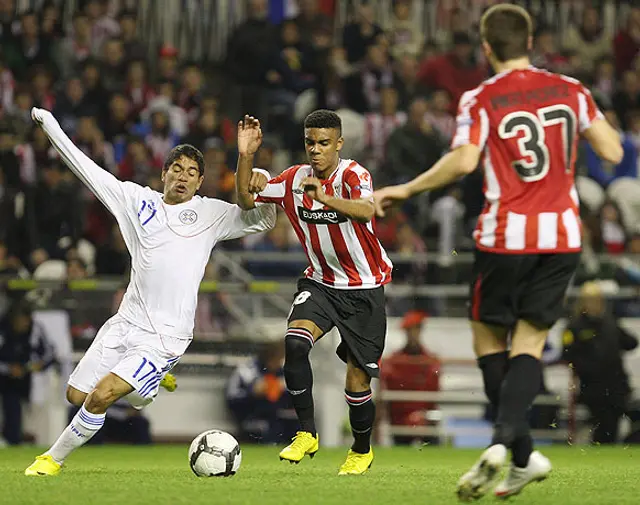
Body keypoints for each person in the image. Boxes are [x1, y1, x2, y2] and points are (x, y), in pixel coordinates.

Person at [373, 4, 623, 500]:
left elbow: (464, 161)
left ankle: (501, 443)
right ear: (530, 40)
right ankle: (523, 456)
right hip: (562, 237)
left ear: (486, 48)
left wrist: (405, 189)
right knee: (529, 344)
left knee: (489, 341)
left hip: (506, 236)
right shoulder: (573, 91)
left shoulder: (482, 97)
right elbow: (613, 152)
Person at [24, 107, 276, 476]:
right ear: (163, 173)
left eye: (192, 173)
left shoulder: (211, 214)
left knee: (101, 397)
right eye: (177, 169)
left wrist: (258, 175)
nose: (183, 177)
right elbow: (85, 168)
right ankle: (147, 387)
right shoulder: (136, 201)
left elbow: (263, 218)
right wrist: (53, 126)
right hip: (125, 323)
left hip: (165, 337)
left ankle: (51, 459)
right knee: (75, 396)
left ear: (200, 181)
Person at [235, 110, 392, 475]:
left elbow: (367, 210)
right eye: (310, 143)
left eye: (324, 143)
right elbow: (245, 200)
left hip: (364, 288)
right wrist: (245, 158)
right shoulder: (293, 179)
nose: (316, 150)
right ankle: (307, 432)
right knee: (294, 342)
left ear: (339, 144)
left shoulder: (354, 175)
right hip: (320, 282)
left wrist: (324, 197)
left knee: (357, 380)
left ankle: (361, 450)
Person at [563, 281, 639, 444]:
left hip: (617, 382)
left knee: (615, 419)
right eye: (590, 300)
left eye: (597, 299)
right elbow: (567, 353)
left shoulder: (610, 322)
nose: (594, 304)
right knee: (602, 421)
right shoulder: (575, 326)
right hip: (592, 385)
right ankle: (600, 446)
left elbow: (631, 342)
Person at [0, 298, 54, 445]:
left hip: (29, 377)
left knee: (29, 409)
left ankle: (25, 437)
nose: (23, 324)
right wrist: (7, 368)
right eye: (20, 320)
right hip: (4, 378)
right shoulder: (3, 329)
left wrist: (34, 366)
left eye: (26, 320)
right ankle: (10, 437)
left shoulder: (35, 328)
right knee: (10, 405)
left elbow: (49, 352)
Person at [225, 341, 297, 444]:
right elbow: (232, 397)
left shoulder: (284, 373)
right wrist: (252, 393)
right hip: (252, 417)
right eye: (277, 358)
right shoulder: (246, 372)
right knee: (266, 428)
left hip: (279, 418)